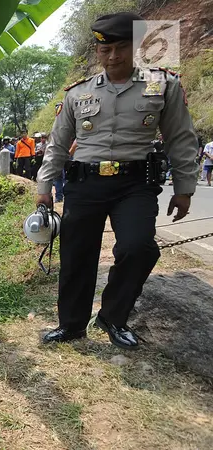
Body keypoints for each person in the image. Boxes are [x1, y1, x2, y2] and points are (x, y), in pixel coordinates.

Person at [36, 12, 197, 349]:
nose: (113, 57)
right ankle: (72, 324)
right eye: (105, 50)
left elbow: (181, 138)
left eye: (121, 48)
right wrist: (44, 186)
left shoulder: (162, 83)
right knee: (77, 255)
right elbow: (58, 143)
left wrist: (184, 188)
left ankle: (113, 317)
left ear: (136, 46)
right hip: (85, 183)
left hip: (135, 185)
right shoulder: (78, 93)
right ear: (97, 52)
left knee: (138, 247)